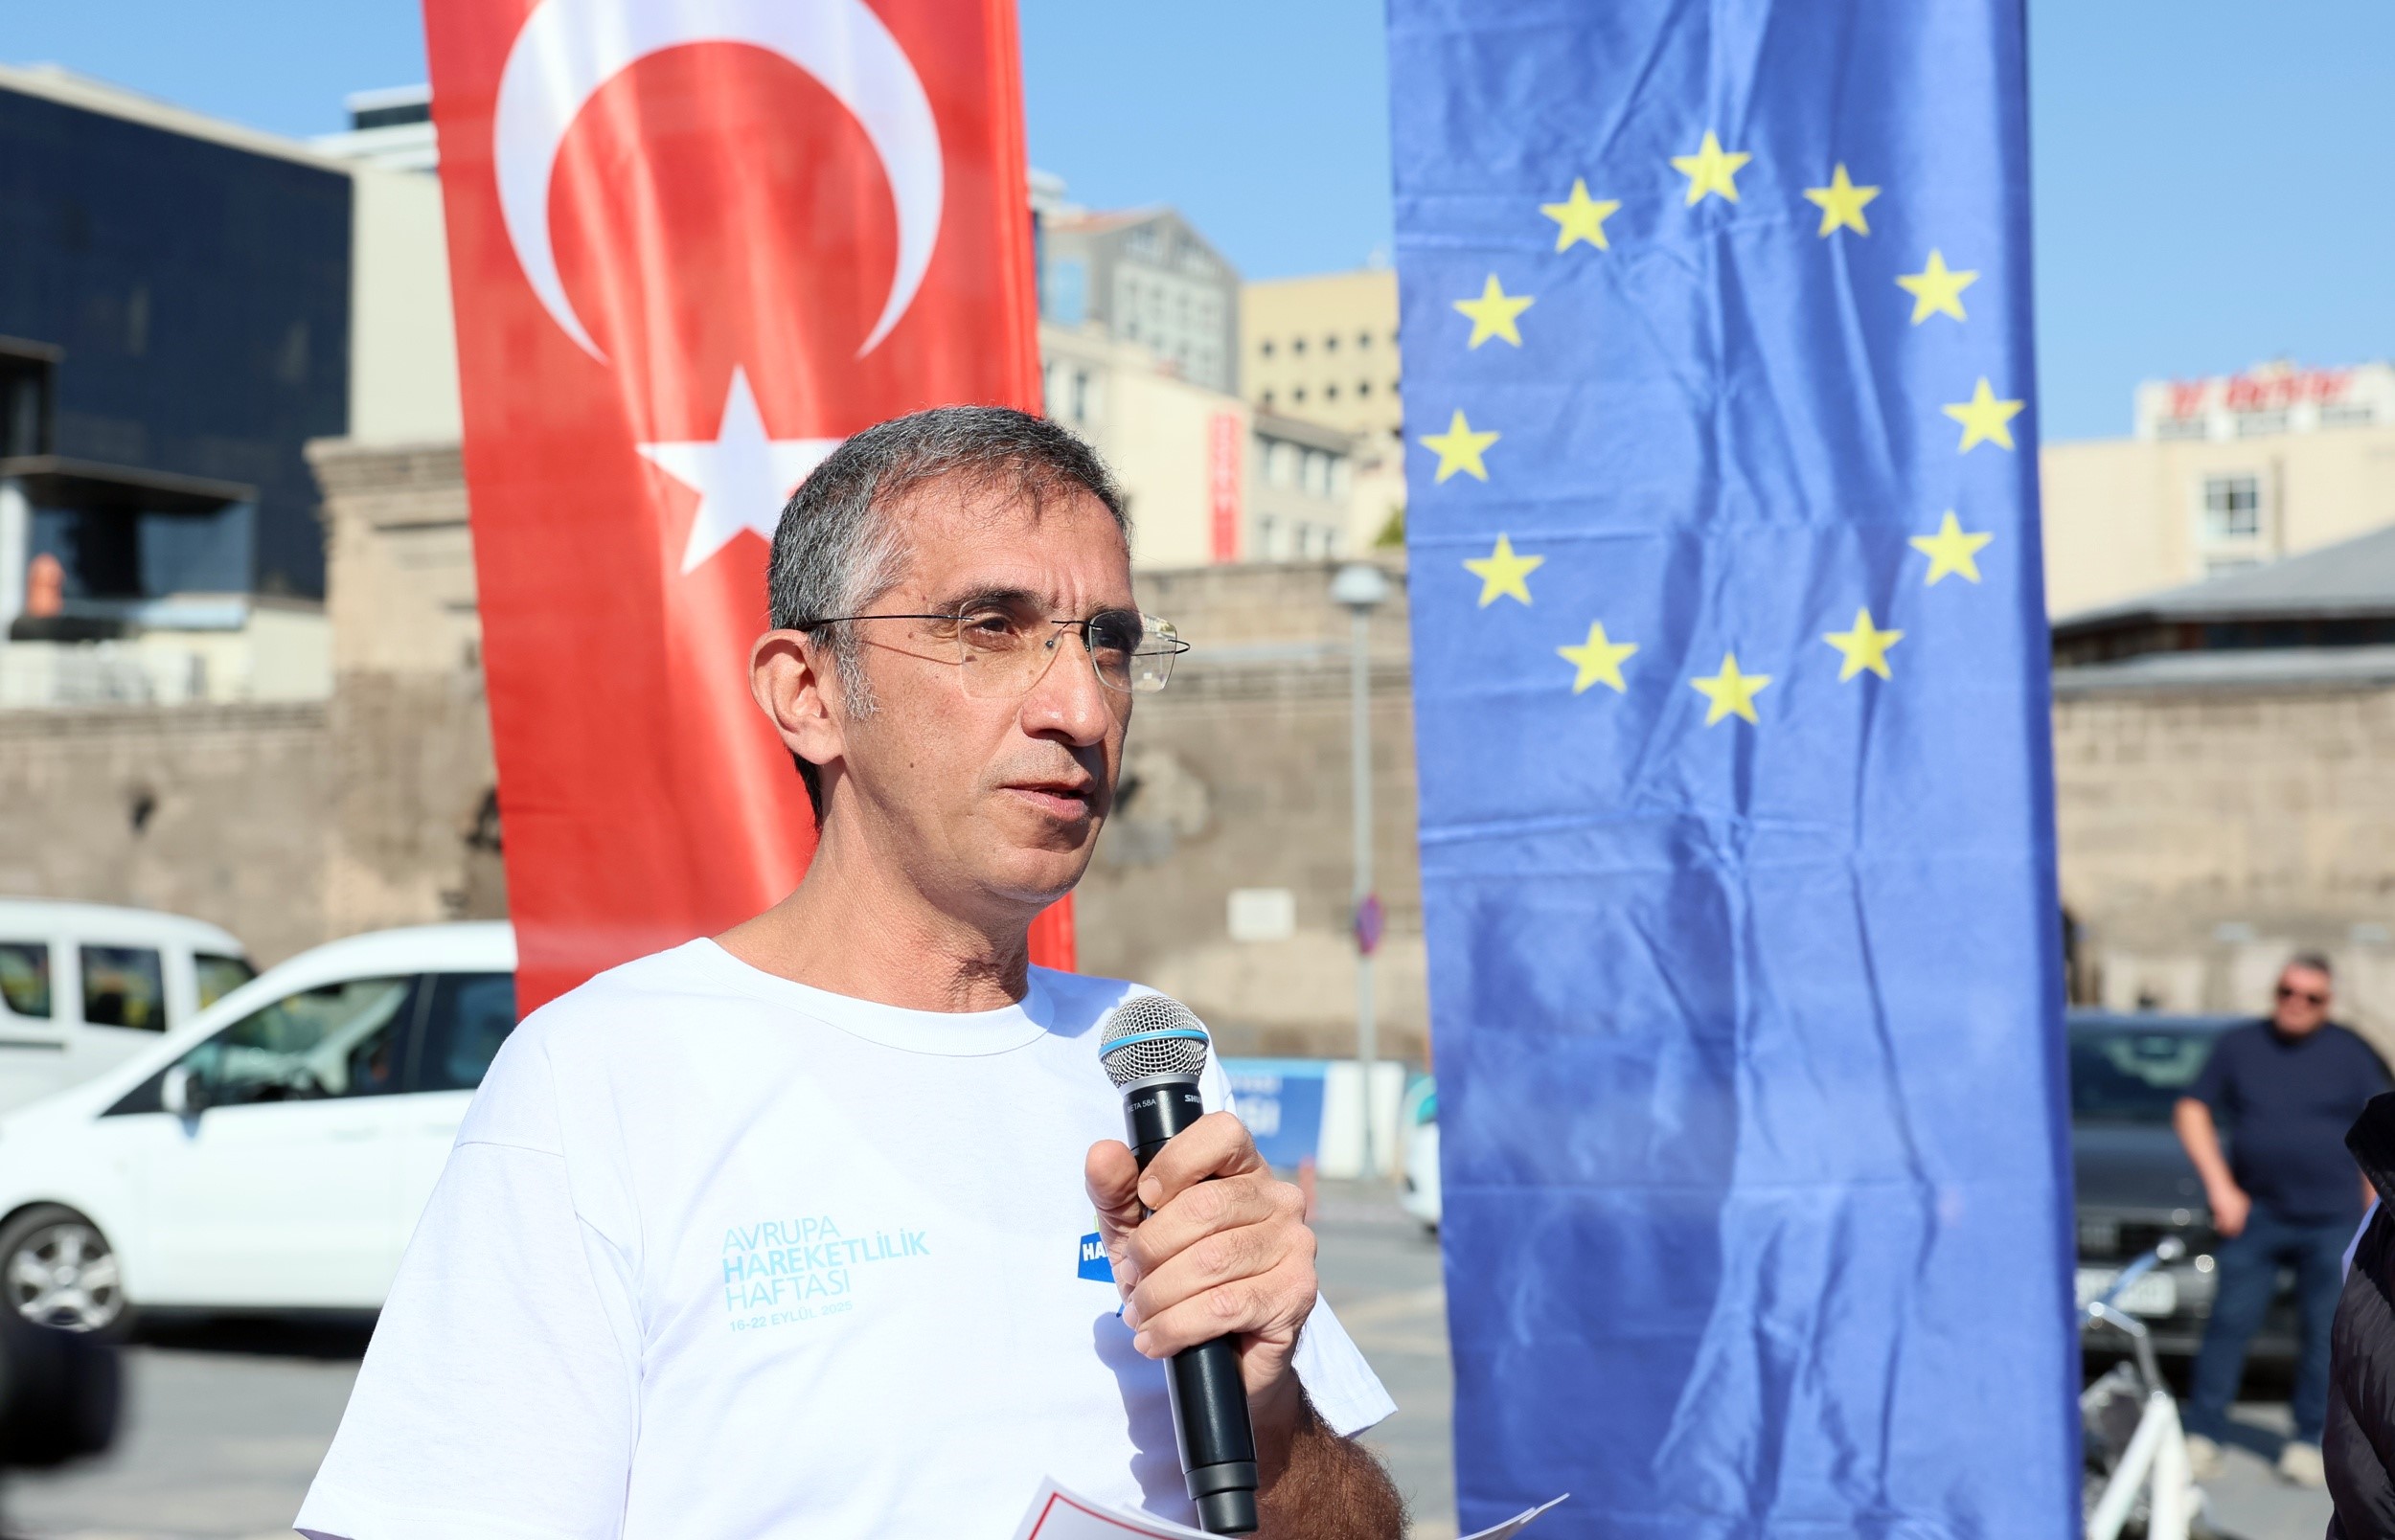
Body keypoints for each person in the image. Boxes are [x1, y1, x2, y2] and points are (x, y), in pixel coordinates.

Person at [293, 409, 1405, 1538]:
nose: (1078, 707)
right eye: (991, 627)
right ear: (809, 694)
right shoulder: (603, 1078)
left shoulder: (1153, 1059)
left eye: (1107, 644)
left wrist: (1272, 1422)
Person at [2175, 954, 2389, 1487]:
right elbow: (2192, 1109)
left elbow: (2382, 1127)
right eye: (2287, 992)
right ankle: (2204, 1434)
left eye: (2311, 997)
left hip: (2332, 1219)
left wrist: (2373, 1210)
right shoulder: (2239, 1045)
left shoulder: (2351, 1052)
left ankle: (2307, 1440)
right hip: (2258, 1214)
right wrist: (2221, 1188)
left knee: (2328, 1333)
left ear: (2327, 1002)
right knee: (2229, 1323)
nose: (2296, 1004)